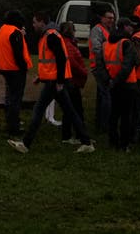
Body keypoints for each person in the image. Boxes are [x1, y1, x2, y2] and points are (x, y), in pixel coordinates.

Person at [9, 15, 94, 154]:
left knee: (39, 110)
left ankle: (26, 144)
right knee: (70, 112)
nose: (33, 25)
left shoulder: (50, 36)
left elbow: (60, 58)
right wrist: (40, 77)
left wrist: (60, 81)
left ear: (42, 22)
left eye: (35, 22)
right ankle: (86, 142)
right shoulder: (48, 35)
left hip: (55, 82)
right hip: (54, 81)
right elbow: (50, 62)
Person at [103, 16, 140, 151]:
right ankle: (125, 144)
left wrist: (110, 80)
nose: (132, 28)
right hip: (128, 84)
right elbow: (132, 63)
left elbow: (101, 64)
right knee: (126, 116)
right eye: (131, 26)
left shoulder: (106, 43)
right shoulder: (126, 43)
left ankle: (113, 140)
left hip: (113, 83)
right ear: (125, 27)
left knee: (114, 114)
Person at [0, 9, 31, 137]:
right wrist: (23, 67)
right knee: (16, 99)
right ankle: (14, 127)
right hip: (16, 70)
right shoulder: (15, 32)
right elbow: (18, 53)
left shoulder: (2, 30)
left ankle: (10, 124)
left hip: (5, 68)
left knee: (9, 98)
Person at [58, 21, 89, 144]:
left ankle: (68, 135)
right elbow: (71, 61)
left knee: (70, 108)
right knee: (76, 109)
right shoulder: (68, 44)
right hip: (72, 80)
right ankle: (79, 136)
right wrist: (83, 71)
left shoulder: (67, 42)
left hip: (70, 79)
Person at [89, 10, 115, 132]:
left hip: (104, 67)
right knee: (106, 96)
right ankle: (105, 124)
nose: (111, 20)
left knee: (102, 95)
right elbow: (97, 48)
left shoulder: (107, 30)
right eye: (109, 18)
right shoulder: (97, 30)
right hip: (99, 67)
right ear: (102, 18)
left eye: (113, 18)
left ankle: (100, 123)